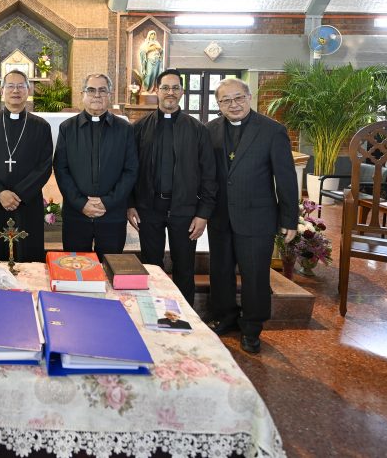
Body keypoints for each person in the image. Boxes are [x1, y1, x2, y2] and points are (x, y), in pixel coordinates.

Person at [206, 78, 298, 355]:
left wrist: (289, 219)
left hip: (257, 218)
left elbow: (285, 178)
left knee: (255, 275)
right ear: (218, 104)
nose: (233, 104)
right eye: (225, 100)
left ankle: (252, 327)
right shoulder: (209, 130)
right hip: (220, 217)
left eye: (238, 98)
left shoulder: (272, 131)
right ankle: (225, 317)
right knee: (220, 271)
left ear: (249, 97)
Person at [128, 69, 216, 306]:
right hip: (149, 209)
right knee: (151, 266)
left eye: (175, 88)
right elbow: (129, 170)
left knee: (185, 268)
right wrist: (130, 204)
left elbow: (209, 175)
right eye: (165, 87)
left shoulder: (198, 130)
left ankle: (186, 315)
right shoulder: (139, 128)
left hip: (185, 211)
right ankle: (152, 310)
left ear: (182, 92)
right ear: (156, 90)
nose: (170, 92)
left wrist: (203, 214)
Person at [53, 73, 138, 258]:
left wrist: (106, 202)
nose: (97, 95)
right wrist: (81, 203)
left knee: (110, 269)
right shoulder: (67, 128)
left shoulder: (125, 129)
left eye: (102, 90)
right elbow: (61, 169)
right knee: (76, 270)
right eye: (91, 90)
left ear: (110, 94)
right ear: (83, 94)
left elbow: (130, 170)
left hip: (112, 215)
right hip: (76, 215)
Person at [0, 70, 53, 263]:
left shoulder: (41, 126)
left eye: (20, 86)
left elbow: (45, 166)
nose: (15, 90)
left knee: (27, 253)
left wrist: (18, 194)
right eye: (10, 86)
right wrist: (0, 193)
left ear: (29, 90)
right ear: (2, 90)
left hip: (27, 200)